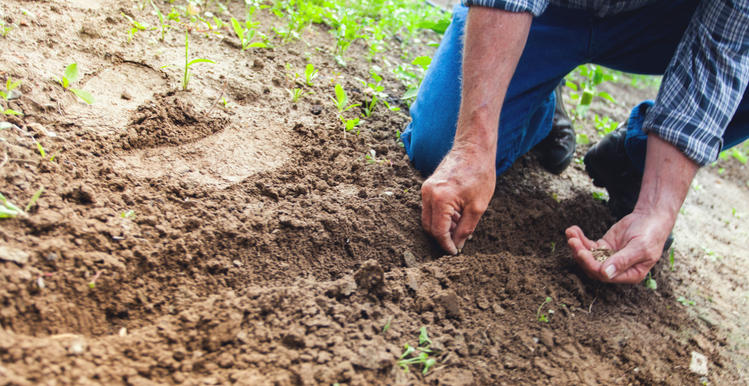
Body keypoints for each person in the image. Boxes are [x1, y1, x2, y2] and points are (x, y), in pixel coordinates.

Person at [400, 0, 749, 284]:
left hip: (663, 19)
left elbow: (725, 49)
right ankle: (540, 102)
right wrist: (472, 146)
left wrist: (657, 208)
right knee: (440, 147)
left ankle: (635, 159)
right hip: (550, 10)